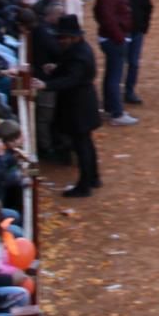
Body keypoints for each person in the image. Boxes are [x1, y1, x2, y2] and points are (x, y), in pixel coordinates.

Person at [35, 14, 102, 197]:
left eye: (62, 37)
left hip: (78, 105)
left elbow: (72, 79)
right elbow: (70, 73)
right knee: (85, 143)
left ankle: (85, 184)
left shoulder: (79, 54)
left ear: (73, 37)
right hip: (81, 102)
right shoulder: (79, 50)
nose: (60, 41)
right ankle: (93, 178)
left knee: (82, 145)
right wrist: (57, 70)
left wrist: (46, 85)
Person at [92, 0, 137, 125]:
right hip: (113, 39)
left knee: (111, 74)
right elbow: (107, 18)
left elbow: (98, 13)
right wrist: (120, 37)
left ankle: (110, 107)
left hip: (110, 37)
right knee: (115, 77)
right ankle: (117, 114)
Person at [115, 0, 152, 107]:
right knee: (118, 64)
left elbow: (148, 8)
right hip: (119, 34)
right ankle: (116, 93)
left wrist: (144, 27)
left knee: (134, 63)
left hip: (136, 32)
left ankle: (129, 91)